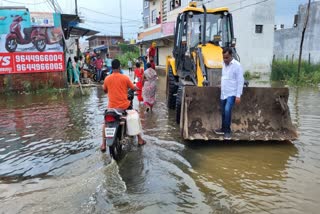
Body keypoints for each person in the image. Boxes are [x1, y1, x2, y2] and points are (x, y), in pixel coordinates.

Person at [100, 59, 146, 152]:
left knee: (105, 123)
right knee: (135, 116)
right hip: (124, 106)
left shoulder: (107, 79)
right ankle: (140, 140)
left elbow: (105, 90)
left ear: (112, 67)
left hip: (111, 108)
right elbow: (133, 87)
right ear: (119, 67)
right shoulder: (124, 78)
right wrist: (137, 88)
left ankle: (103, 145)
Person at [214, 47, 244, 140]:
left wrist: (238, 95)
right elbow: (225, 77)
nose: (225, 60)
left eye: (226, 57)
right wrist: (221, 85)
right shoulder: (223, 64)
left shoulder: (237, 65)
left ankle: (227, 131)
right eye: (223, 57)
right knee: (223, 111)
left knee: (227, 110)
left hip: (232, 93)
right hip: (223, 92)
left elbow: (240, 81)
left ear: (231, 55)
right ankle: (223, 129)